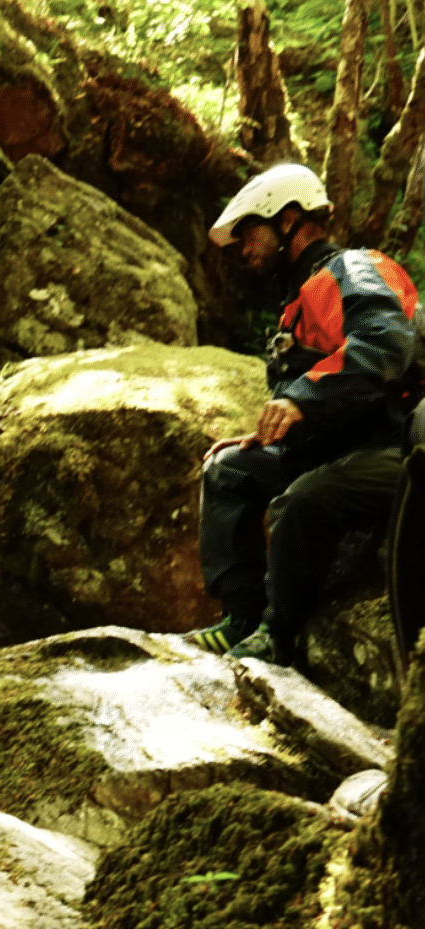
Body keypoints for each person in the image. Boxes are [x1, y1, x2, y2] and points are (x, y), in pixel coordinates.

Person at [185, 163, 419, 665]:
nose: (245, 250)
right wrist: (271, 433)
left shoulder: (352, 269)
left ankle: (278, 637)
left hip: (399, 447)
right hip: (344, 446)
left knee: (301, 500)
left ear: (288, 218)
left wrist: (298, 400)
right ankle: (241, 619)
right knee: (227, 471)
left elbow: (385, 345)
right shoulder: (298, 301)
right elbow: (331, 392)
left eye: (250, 234)